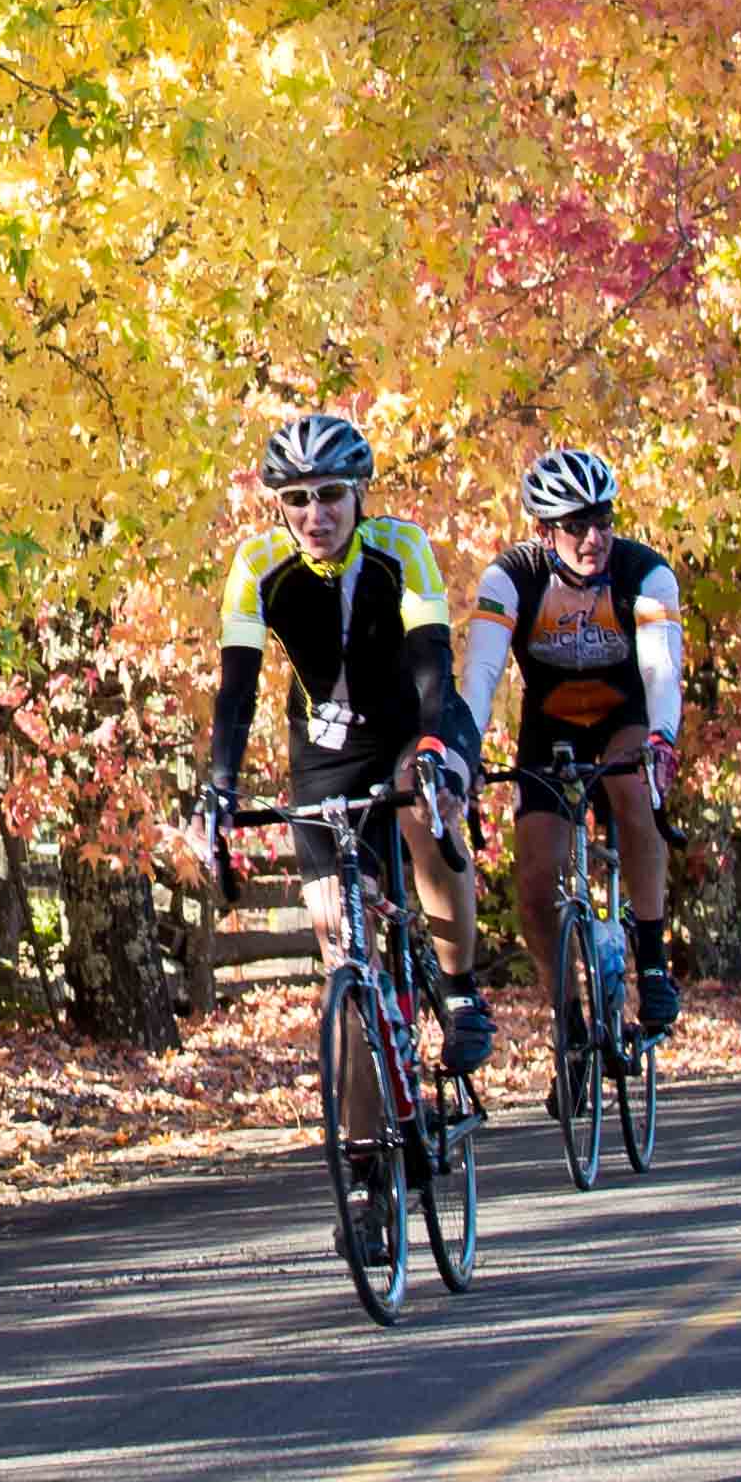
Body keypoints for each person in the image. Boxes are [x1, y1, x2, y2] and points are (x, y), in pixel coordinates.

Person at [188, 410, 488, 1072]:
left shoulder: (400, 549)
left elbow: (434, 665)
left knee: (423, 803)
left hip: (417, 725)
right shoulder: (258, 566)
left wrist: (437, 750)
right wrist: (220, 786)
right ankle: (365, 1151)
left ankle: (463, 994)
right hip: (326, 749)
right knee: (343, 951)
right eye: (296, 499)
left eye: (329, 494)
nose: (314, 513)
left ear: (359, 495)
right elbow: (236, 691)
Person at [467, 446, 686, 1113]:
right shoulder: (512, 578)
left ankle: (650, 959)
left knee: (630, 790)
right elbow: (479, 675)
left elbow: (660, 672)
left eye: (602, 519)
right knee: (535, 884)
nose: (593, 537)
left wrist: (662, 739)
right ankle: (569, 1021)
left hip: (624, 717)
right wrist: (461, 751)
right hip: (551, 727)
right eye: (574, 524)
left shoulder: (644, 572)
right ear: (543, 531)